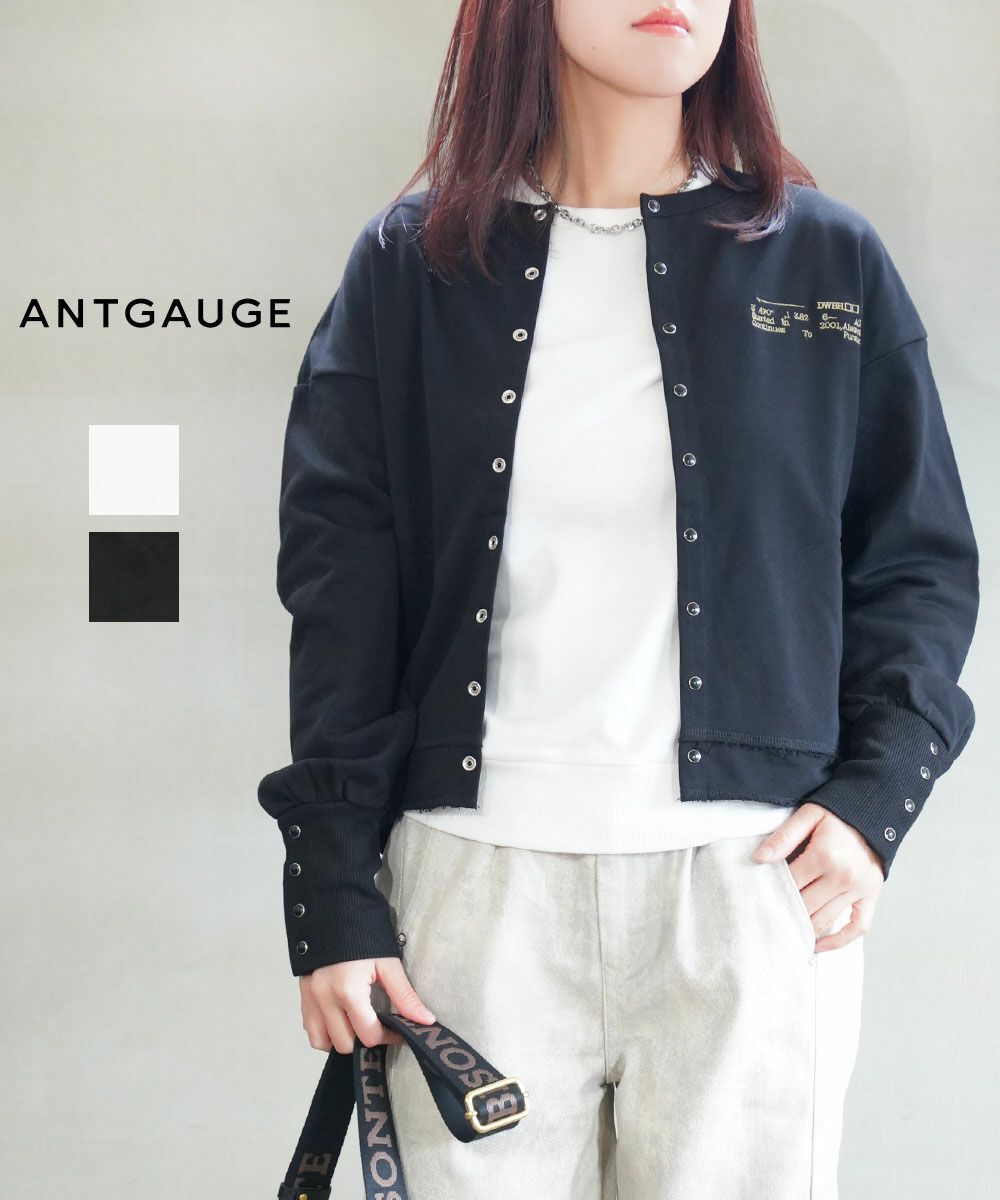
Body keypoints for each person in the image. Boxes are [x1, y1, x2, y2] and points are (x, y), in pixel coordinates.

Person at [257, 2, 980, 1197]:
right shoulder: (411, 265)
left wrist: (872, 802)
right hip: (470, 890)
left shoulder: (826, 260)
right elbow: (342, 585)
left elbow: (916, 559)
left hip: (747, 889)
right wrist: (331, 887)